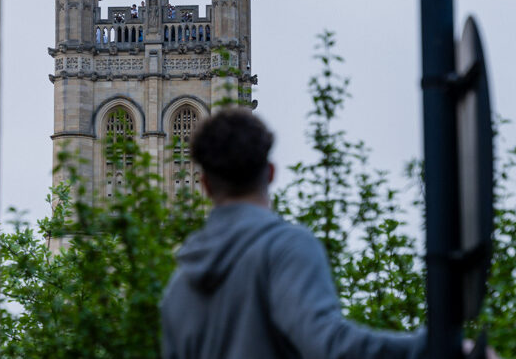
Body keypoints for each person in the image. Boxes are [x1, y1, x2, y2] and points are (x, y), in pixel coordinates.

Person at [160, 110, 428, 359]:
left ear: (205, 184)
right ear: (271, 172)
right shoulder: (286, 248)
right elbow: (330, 347)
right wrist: (431, 346)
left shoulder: (178, 286)